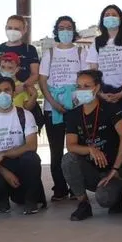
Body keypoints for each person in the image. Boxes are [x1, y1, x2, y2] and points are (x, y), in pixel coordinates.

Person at [62, 69, 122, 221]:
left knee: (105, 199)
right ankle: (83, 204)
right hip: (92, 170)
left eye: (87, 86)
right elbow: (71, 145)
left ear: (97, 87)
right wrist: (89, 149)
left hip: (115, 171)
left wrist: (116, 168)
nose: (82, 90)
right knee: (68, 159)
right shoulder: (73, 115)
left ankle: (117, 195)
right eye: (79, 86)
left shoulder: (110, 109)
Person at [0, 77, 45, 215]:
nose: (2, 94)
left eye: (7, 90)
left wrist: (3, 154)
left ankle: (30, 199)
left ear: (13, 93)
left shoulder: (25, 115)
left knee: (32, 159)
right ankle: (1, 199)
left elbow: (31, 146)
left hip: (19, 160)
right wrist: (4, 172)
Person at [38, 16, 87, 202]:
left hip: (77, 108)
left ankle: (77, 188)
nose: (65, 30)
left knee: (76, 149)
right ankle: (59, 188)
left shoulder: (81, 51)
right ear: (56, 31)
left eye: (68, 27)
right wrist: (54, 102)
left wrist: (75, 102)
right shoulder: (49, 53)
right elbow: (43, 82)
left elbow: (85, 79)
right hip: (53, 108)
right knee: (56, 150)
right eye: (61, 27)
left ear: (73, 31)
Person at [87, 4, 122, 113]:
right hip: (104, 96)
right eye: (107, 15)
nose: (110, 17)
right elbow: (93, 73)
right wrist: (100, 94)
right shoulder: (96, 42)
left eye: (114, 15)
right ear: (102, 20)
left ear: (120, 19)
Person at [0, 15, 40, 111]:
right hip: (0, 95)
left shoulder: (30, 49)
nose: (13, 31)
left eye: (17, 29)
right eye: (10, 28)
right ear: (5, 28)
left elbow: (35, 74)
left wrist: (22, 87)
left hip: (22, 94)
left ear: (24, 30)